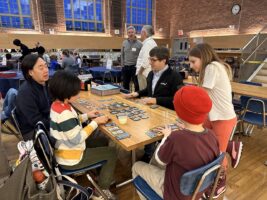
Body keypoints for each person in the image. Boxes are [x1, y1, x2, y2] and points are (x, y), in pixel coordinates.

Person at [132, 85, 220, 200]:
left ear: (179, 112)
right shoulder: (212, 135)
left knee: (136, 166)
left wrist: (166, 136)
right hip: (198, 190)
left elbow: (160, 159)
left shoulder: (176, 138)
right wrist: (186, 129)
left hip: (174, 194)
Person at [49, 71, 117, 199]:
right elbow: (77, 138)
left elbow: (70, 123)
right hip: (71, 157)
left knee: (102, 141)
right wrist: (95, 122)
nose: (78, 93)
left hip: (65, 148)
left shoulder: (58, 105)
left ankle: (101, 175)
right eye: (76, 91)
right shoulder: (65, 113)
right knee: (112, 152)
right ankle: (103, 190)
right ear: (66, 93)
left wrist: (87, 116)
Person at [189, 43, 243, 198]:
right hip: (213, 115)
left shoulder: (212, 67)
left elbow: (201, 95)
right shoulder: (211, 68)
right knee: (202, 140)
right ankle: (231, 146)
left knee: (216, 155)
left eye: (193, 62)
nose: (191, 66)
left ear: (203, 57)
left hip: (223, 117)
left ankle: (220, 182)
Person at [15, 54, 50, 140]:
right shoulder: (26, 92)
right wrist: (57, 124)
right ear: (30, 72)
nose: (46, 70)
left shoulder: (44, 84)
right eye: (41, 68)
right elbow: (36, 121)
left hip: (46, 122)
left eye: (46, 66)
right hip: (33, 131)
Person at [121, 26, 142, 91]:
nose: (131, 34)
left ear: (135, 33)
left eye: (132, 32)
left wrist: (139, 66)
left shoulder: (140, 44)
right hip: (126, 67)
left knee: (136, 84)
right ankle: (126, 96)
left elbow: (141, 56)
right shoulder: (124, 43)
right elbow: (122, 54)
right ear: (127, 33)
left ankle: (136, 97)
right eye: (129, 32)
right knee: (125, 84)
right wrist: (122, 65)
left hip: (135, 67)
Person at [136, 25, 157, 90]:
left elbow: (146, 60)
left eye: (141, 32)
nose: (140, 34)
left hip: (144, 73)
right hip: (147, 73)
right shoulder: (150, 42)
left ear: (144, 33)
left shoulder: (148, 44)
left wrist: (140, 72)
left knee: (143, 94)